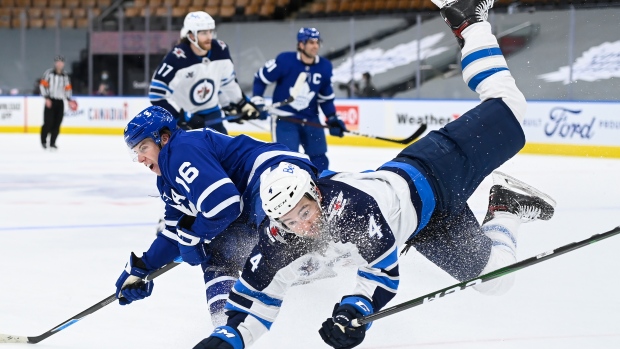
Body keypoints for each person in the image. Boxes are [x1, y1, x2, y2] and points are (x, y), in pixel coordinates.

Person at [192, 0, 557, 348]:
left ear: (317, 194)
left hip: (435, 170)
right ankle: (507, 207)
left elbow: (382, 273)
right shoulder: (278, 238)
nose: (301, 226)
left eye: (303, 212)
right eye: (289, 222)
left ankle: (470, 22)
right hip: (426, 226)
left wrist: (353, 309)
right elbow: (256, 297)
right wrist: (229, 338)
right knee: (497, 280)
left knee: (510, 105)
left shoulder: (352, 210)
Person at [115, 105, 318, 326]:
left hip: (276, 174)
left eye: (143, 147)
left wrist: (194, 236)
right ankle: (226, 324)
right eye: (136, 152)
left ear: (163, 138)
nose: (141, 159)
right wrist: (142, 267)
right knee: (217, 249)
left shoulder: (180, 150)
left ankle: (314, 259)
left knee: (267, 220)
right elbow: (176, 231)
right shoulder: (167, 181)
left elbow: (224, 204)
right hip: (251, 200)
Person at [251, 27, 347, 173]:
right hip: (285, 119)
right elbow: (260, 78)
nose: (315, 46)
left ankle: (322, 190)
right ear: (301, 45)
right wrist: (258, 100)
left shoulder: (324, 67)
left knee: (319, 159)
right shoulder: (285, 60)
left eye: (317, 42)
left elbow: (325, 98)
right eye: (311, 42)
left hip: (310, 119)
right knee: (287, 160)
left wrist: (332, 117)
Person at [148, 11, 260, 134]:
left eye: (210, 31)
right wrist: (183, 117)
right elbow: (156, 94)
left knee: (223, 151)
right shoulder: (177, 58)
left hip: (212, 112)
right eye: (203, 33)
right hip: (185, 118)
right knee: (190, 152)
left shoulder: (221, 50)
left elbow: (227, 83)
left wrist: (241, 103)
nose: (209, 37)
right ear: (191, 36)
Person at [39, 55, 75, 150]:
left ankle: (52, 143)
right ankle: (43, 141)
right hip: (50, 100)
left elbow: (67, 89)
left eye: (61, 62)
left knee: (57, 123)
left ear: (63, 64)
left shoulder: (65, 75)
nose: (59, 64)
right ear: (55, 63)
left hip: (60, 101)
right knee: (48, 122)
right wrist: (46, 98)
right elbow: (42, 86)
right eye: (58, 62)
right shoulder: (49, 73)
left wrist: (69, 100)